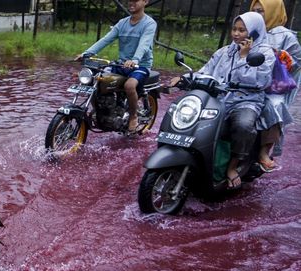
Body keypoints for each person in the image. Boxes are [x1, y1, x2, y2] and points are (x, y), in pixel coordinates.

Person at [176, 12, 274, 189]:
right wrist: (184, 77)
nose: (236, 34)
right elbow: (206, 70)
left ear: (255, 32)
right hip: (220, 99)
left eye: (242, 30)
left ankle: (233, 166)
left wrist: (245, 57)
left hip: (247, 100)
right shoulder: (225, 51)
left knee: (244, 124)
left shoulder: (265, 54)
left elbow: (261, 81)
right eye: (234, 29)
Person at [75, 0, 156, 132]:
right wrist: (86, 54)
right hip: (121, 64)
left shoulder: (149, 24)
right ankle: (102, 111)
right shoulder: (122, 23)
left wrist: (135, 59)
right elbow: (106, 39)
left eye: (136, 0)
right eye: (130, 0)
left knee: (129, 86)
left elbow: (144, 44)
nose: (131, 3)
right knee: (96, 79)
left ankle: (133, 116)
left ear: (145, 1)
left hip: (140, 65)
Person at [250, 0, 301, 171]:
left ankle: (264, 151)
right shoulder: (248, 29)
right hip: (247, 80)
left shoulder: (285, 36)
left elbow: (296, 63)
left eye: (261, 11)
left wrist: (282, 56)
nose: (257, 14)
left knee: (275, 106)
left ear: (273, 12)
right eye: (254, 10)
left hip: (272, 86)